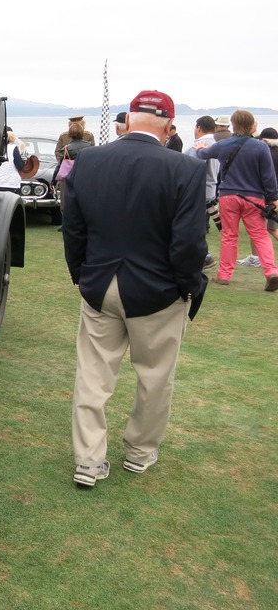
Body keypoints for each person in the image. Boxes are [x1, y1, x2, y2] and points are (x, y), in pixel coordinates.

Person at [63, 89, 207, 487]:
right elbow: (189, 243)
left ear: (128, 121)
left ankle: (89, 460)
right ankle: (141, 452)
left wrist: (82, 275)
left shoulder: (88, 160)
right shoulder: (185, 169)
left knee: (93, 375)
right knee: (155, 376)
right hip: (158, 290)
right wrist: (187, 287)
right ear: (169, 126)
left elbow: (73, 229)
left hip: (100, 283)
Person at [195, 109, 278, 290]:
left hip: (229, 195)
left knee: (229, 236)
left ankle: (224, 274)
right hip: (253, 198)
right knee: (260, 235)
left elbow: (203, 155)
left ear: (233, 124)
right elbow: (268, 176)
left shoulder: (224, 144)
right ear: (252, 125)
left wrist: (199, 147)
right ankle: (271, 271)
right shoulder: (261, 147)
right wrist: (273, 198)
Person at [185, 116, 221, 268]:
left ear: (198, 128)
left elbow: (189, 167)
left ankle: (205, 256)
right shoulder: (217, 144)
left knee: (190, 225)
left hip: (196, 190)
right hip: (210, 188)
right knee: (196, 225)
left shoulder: (199, 145)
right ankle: (204, 255)